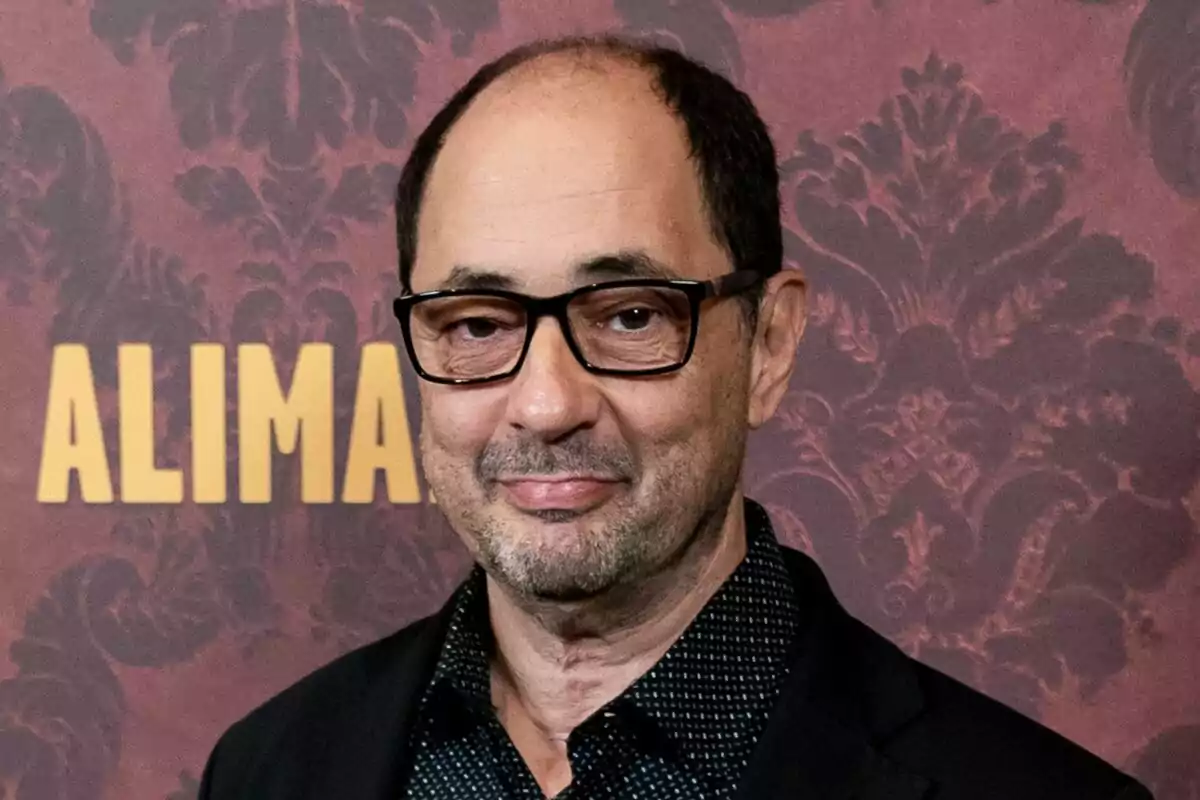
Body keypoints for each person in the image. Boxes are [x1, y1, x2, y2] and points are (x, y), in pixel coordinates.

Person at [198, 36, 1154, 800]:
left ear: (769, 345)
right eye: (479, 324)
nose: (545, 403)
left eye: (628, 316)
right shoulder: (271, 768)